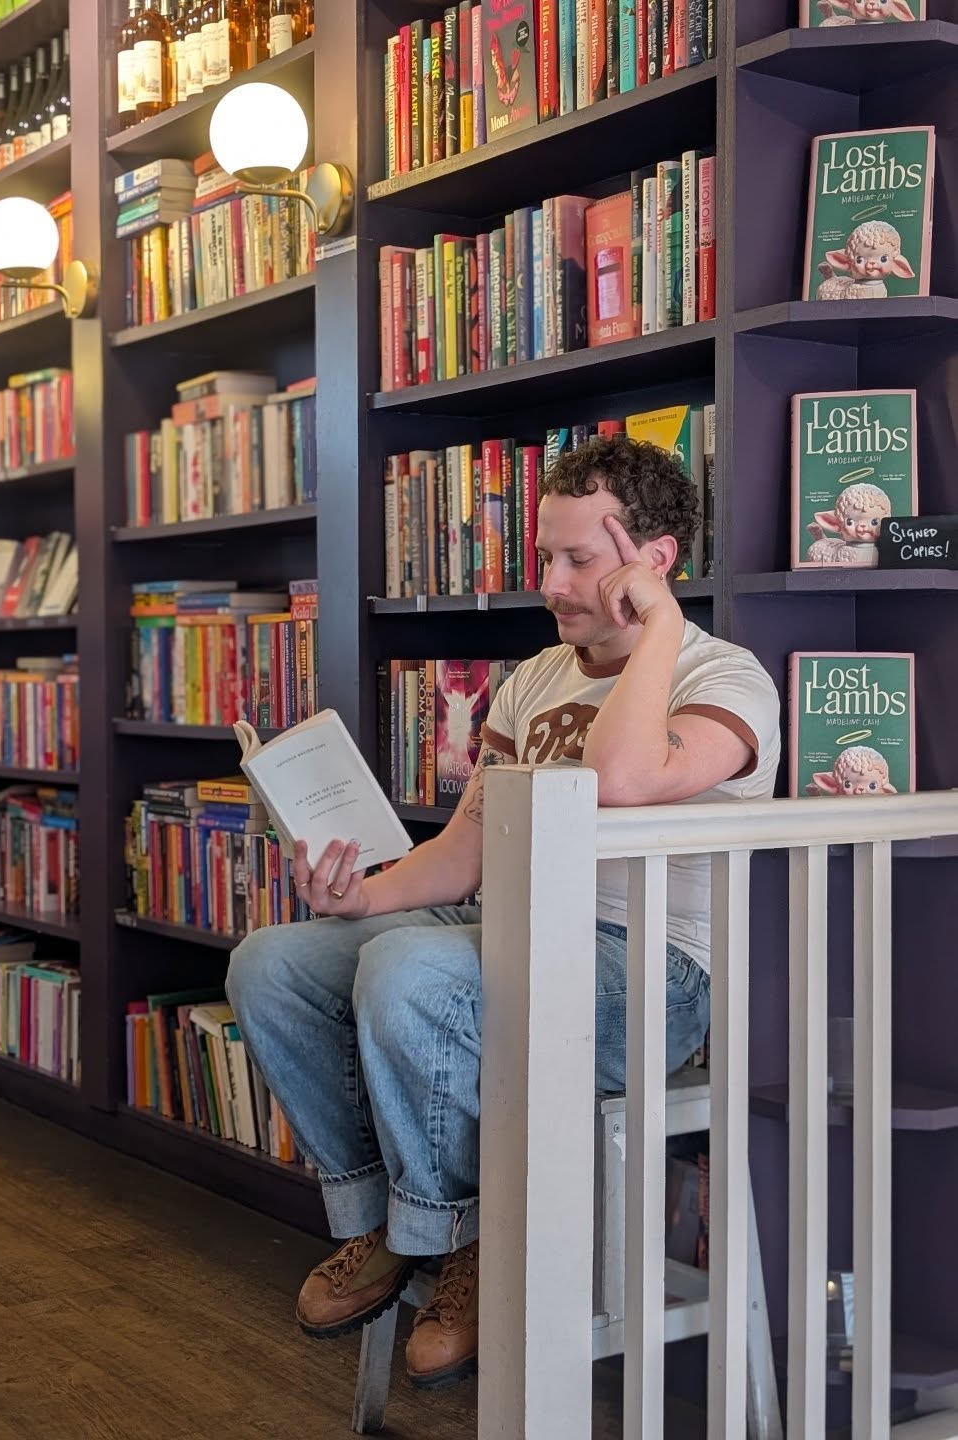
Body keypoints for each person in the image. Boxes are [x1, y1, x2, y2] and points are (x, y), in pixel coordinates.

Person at [225, 434, 781, 1391]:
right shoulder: (532, 679)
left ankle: (465, 1242)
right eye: (545, 558)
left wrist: (655, 634)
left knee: (409, 974)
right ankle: (395, 1226)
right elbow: (460, 855)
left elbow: (619, 777)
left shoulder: (725, 680)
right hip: (515, 940)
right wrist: (359, 894)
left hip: (651, 972)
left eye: (580, 559)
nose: (553, 584)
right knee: (271, 962)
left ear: (652, 563)